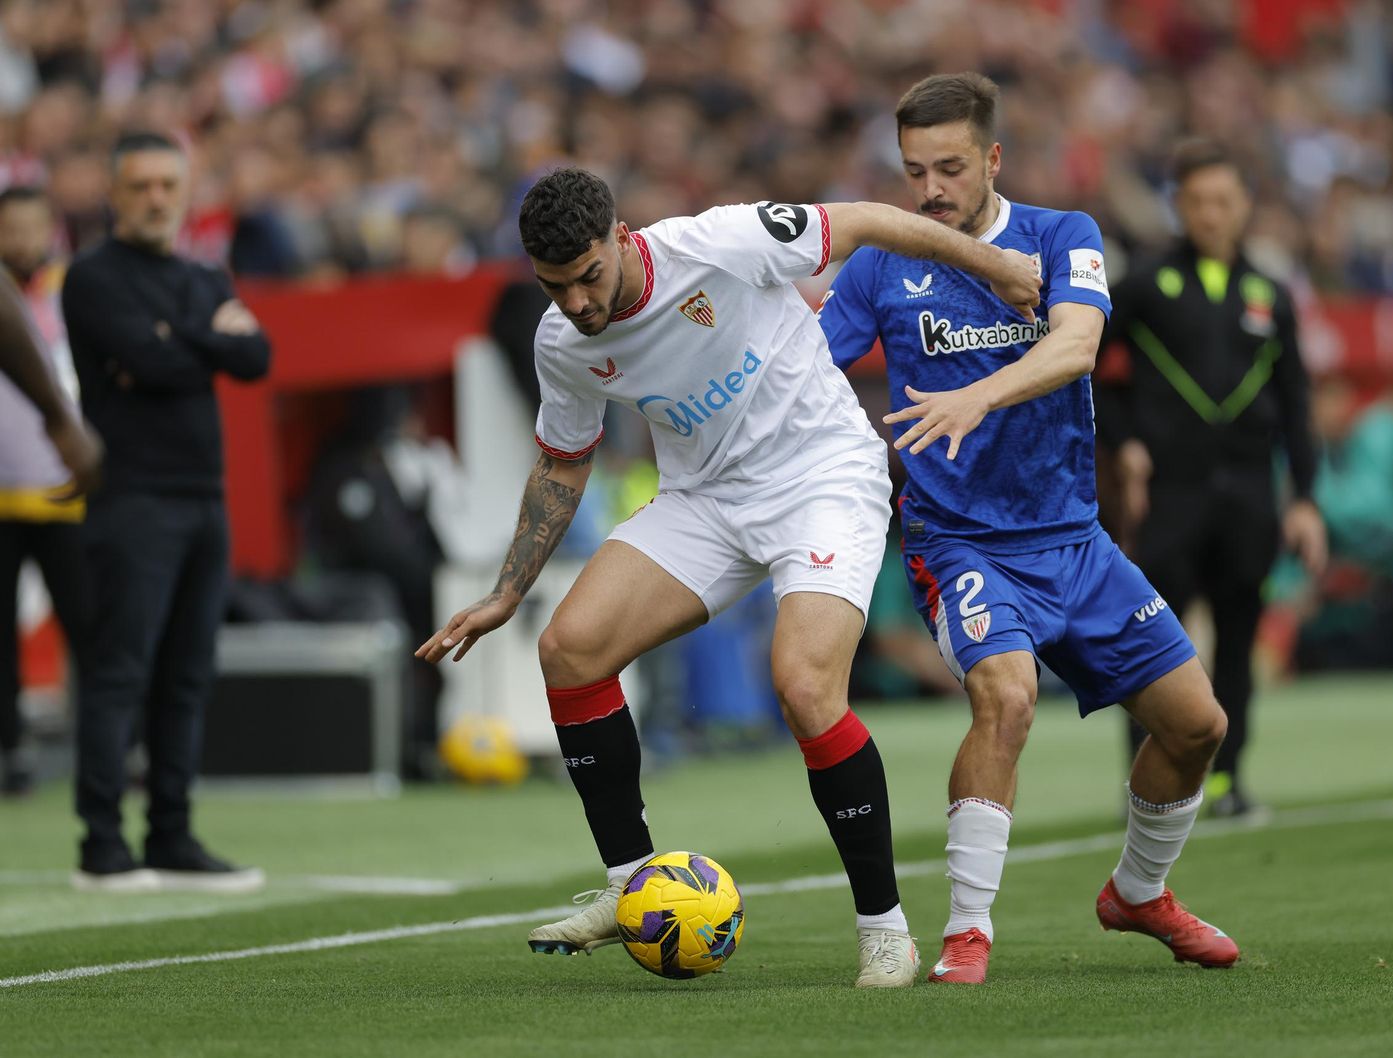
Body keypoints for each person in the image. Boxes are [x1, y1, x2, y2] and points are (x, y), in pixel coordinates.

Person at [418, 166, 1041, 988]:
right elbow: (564, 463)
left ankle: (883, 928)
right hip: (706, 502)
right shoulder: (561, 342)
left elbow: (862, 221)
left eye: (587, 277)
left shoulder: (717, 243)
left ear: (620, 239)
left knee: (805, 686)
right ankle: (629, 887)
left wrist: (993, 265)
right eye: (554, 285)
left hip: (821, 478)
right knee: (568, 650)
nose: (574, 301)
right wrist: (506, 591)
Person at [819, 72, 1240, 985]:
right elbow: (809, 365)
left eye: (951, 168)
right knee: (1006, 697)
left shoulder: (1062, 235)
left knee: (1199, 727)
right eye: (915, 170)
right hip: (959, 542)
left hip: (1076, 542)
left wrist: (977, 395)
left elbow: (1078, 342)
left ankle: (1138, 892)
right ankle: (968, 931)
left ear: (993, 159)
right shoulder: (883, 262)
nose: (930, 190)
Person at [62, 131, 272, 892]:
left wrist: (176, 342)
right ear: (114, 194)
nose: (155, 198)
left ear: (184, 193)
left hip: (202, 497)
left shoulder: (199, 273)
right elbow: (150, 363)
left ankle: (172, 835)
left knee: (187, 673)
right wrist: (205, 339)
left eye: (166, 185)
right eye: (141, 185)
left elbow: (257, 359)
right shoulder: (90, 277)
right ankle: (101, 844)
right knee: (121, 671)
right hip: (132, 497)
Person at [1095, 138, 1326, 819]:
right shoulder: (1143, 285)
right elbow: (1090, 375)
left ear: (1245, 205)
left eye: (1223, 200)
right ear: (1179, 207)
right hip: (1171, 492)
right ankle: (1147, 788)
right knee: (1152, 640)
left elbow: (1298, 405)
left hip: (1251, 493)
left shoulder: (1270, 295)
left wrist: (1306, 498)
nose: (1210, 214)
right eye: (1196, 201)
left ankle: (1225, 782)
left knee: (1237, 632)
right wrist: (1126, 442)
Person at [0, 186, 95, 797]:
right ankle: (11, 748)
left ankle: (111, 743)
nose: (23, 241)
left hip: (69, 488)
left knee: (91, 625)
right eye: (11, 228)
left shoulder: (76, 291)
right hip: (2, 490)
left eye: (33, 227)